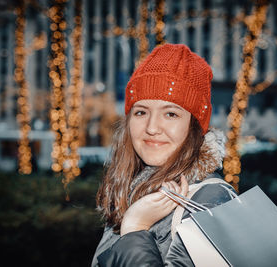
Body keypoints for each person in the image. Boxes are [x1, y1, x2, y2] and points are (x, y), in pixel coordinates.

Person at [91, 43, 235, 266]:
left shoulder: (211, 201)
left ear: (195, 126)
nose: (151, 127)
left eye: (170, 114)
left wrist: (135, 229)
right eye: (141, 112)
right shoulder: (129, 190)